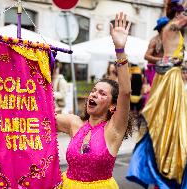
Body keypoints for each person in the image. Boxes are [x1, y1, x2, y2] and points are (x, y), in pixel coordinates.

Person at [126, 0, 187, 188]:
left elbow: (180, 7)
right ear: (178, 13)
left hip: (167, 76)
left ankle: (164, 162)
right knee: (171, 122)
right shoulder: (173, 26)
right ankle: (166, 165)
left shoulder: (170, 28)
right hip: (170, 77)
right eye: (181, 11)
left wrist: (163, 59)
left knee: (167, 121)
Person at [56, 12, 131, 189]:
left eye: (102, 94)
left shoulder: (114, 130)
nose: (94, 95)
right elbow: (40, 118)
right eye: (93, 91)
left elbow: (126, 92)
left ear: (113, 106)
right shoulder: (74, 123)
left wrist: (120, 49)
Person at [144, 16, 169, 86]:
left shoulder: (169, 40)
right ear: (162, 28)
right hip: (155, 71)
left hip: (165, 70)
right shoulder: (154, 41)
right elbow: (146, 56)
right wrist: (162, 60)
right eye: (167, 26)